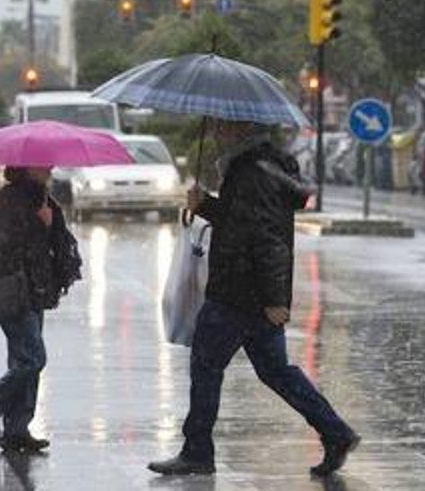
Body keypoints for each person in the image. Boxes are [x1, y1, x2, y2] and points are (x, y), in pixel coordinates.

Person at [148, 120, 360, 478]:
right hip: (251, 294)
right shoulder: (257, 170)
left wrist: (276, 300)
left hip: (238, 293)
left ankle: (198, 451)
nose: (216, 133)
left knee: (206, 365)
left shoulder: (251, 174)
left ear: (241, 129)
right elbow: (239, 222)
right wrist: (206, 206)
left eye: (222, 127)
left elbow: (267, 238)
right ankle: (335, 432)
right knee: (276, 371)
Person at [0, 166, 81, 454]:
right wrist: (38, 223)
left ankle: (17, 430)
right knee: (33, 359)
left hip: (35, 289)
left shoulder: (41, 196)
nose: (50, 168)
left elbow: (53, 242)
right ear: (28, 167)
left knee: (23, 360)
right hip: (12, 288)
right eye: (43, 164)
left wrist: (49, 223)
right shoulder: (9, 198)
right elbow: (4, 243)